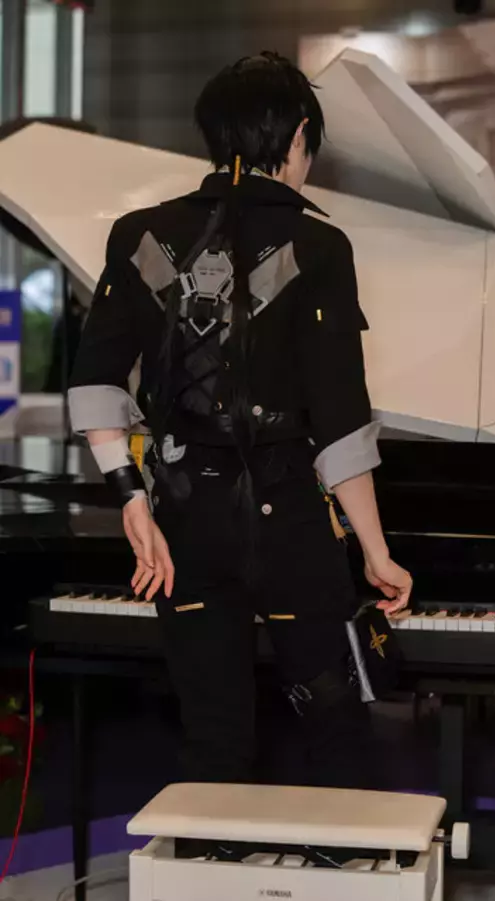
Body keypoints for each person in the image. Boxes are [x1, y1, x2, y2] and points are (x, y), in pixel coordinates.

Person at [68, 52, 412, 793]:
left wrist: (131, 498)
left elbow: (95, 382)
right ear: (297, 135)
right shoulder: (319, 246)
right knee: (335, 734)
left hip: (183, 521)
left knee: (212, 736)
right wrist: (376, 553)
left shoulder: (140, 235)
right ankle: (331, 858)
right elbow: (340, 422)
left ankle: (210, 859)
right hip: (289, 523)